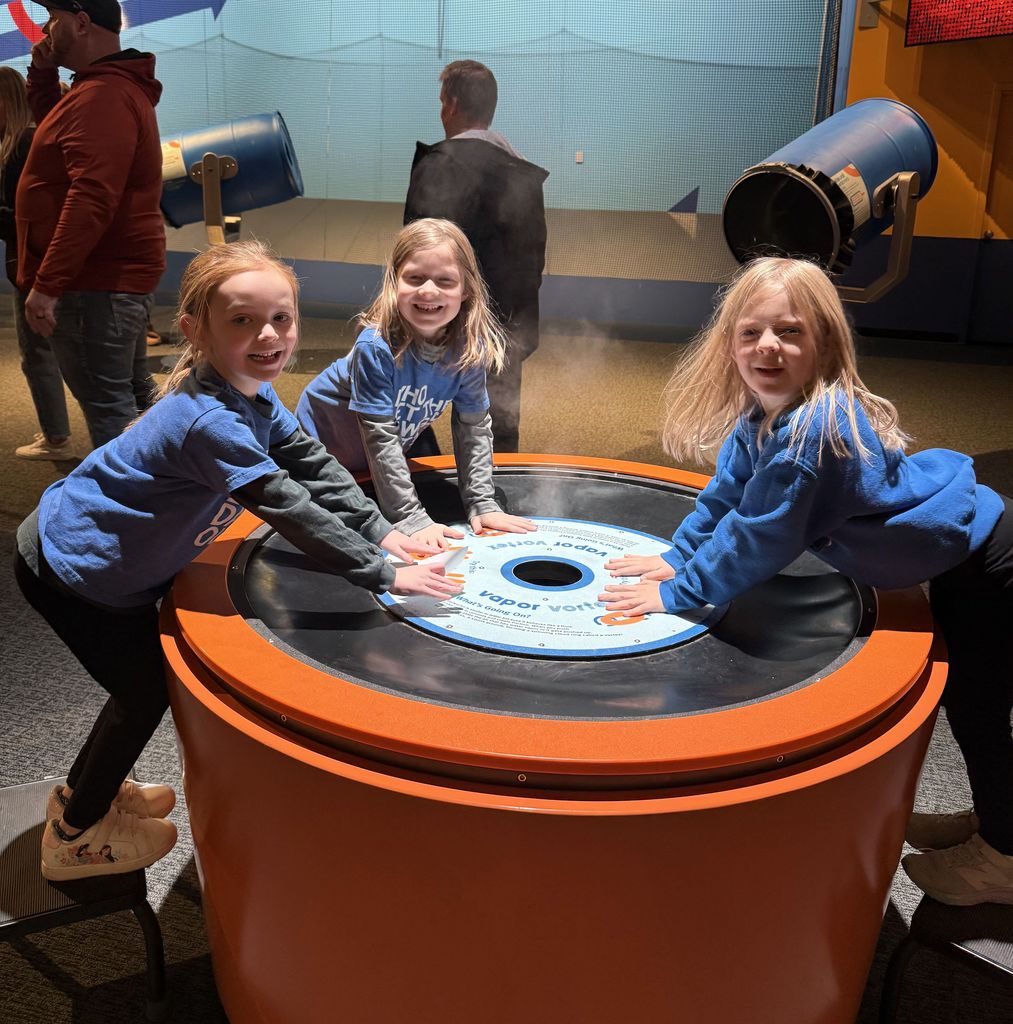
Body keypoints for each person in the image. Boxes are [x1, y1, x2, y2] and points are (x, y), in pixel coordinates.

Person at [14, 239, 459, 880]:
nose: (268, 335)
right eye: (242, 321)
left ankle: (89, 793)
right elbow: (287, 505)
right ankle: (74, 835)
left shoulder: (252, 393)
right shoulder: (210, 422)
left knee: (140, 688)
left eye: (281, 318)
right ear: (196, 330)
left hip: (96, 560)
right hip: (72, 568)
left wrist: (381, 530)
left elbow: (311, 465)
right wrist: (384, 572)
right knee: (143, 693)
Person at [598, 256, 1013, 907]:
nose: (768, 345)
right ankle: (994, 821)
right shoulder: (762, 415)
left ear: (823, 342)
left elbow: (759, 536)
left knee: (978, 709)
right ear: (729, 342)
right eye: (751, 332)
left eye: (789, 331)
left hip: (988, 562)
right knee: (975, 707)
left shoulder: (810, 438)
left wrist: (679, 593)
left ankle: (1003, 856)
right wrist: (679, 556)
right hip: (966, 550)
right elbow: (725, 497)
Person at [297, 218, 537, 549]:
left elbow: (473, 428)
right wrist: (409, 517)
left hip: (368, 465)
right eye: (414, 278)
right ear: (395, 281)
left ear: (466, 289)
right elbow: (380, 438)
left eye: (445, 280)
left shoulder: (468, 350)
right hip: (316, 460)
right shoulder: (375, 348)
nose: (428, 290)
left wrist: (482, 501)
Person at [16, 0, 166, 449]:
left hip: (93, 286)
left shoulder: (103, 95)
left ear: (81, 24)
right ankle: (166, 488)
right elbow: (56, 128)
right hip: (105, 284)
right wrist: (42, 74)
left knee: (110, 409)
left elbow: (92, 196)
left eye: (54, 19)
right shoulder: (100, 88)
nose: (46, 29)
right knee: (132, 402)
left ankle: (133, 496)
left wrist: (48, 284)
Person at [404, 59, 548, 452]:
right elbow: (532, 262)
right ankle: (499, 484)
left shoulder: (439, 164)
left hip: (437, 319)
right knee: (496, 424)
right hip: (505, 324)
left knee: (408, 408)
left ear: (451, 105)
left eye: (442, 102)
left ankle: (417, 483)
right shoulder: (522, 173)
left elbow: (416, 251)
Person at [0, 67, 75, 461]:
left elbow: (24, 217)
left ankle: (57, 440)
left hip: (34, 266)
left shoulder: (20, 147)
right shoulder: (30, 142)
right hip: (38, 263)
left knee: (39, 355)